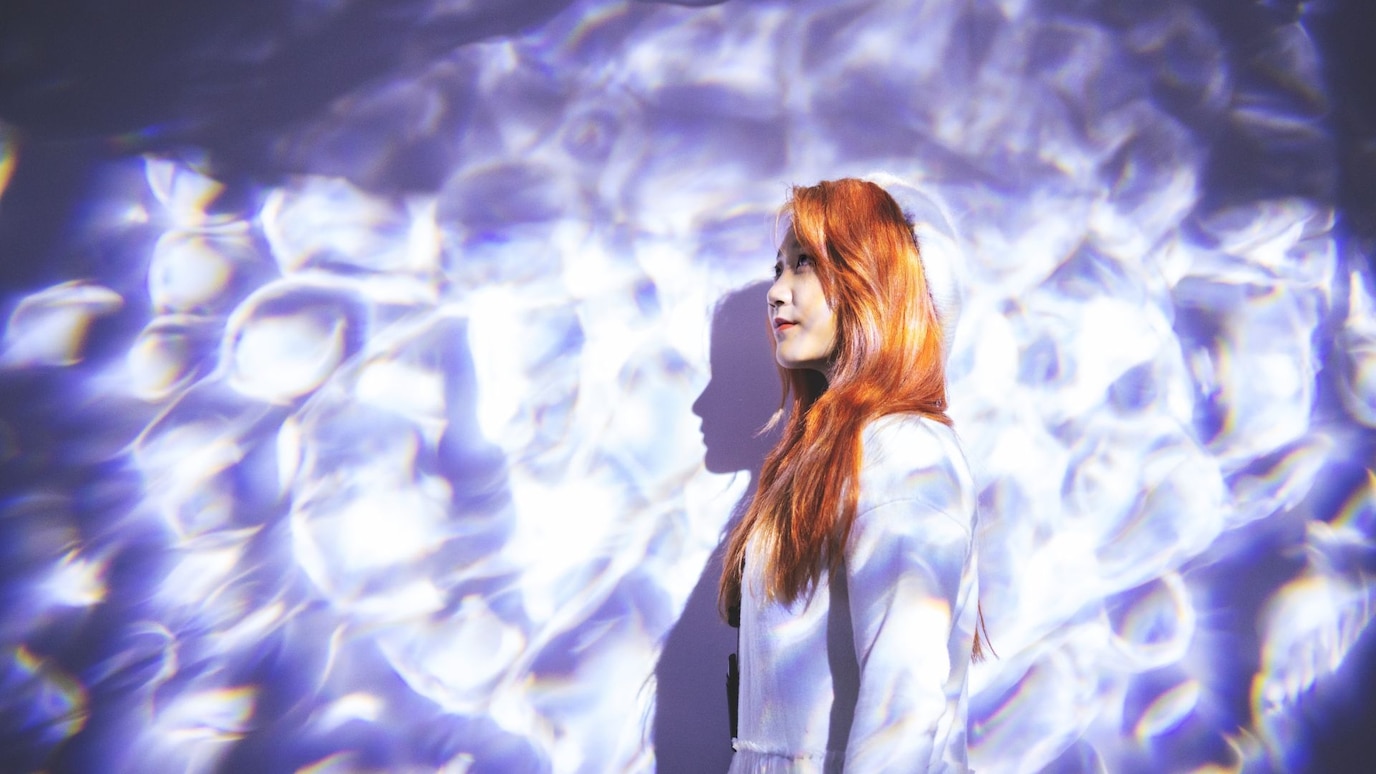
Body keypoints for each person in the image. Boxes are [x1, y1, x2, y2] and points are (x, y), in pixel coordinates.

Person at [719, 177, 985, 773]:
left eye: (805, 264)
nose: (776, 292)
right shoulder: (822, 458)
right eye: (778, 267)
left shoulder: (905, 451)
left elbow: (905, 708)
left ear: (875, 279)